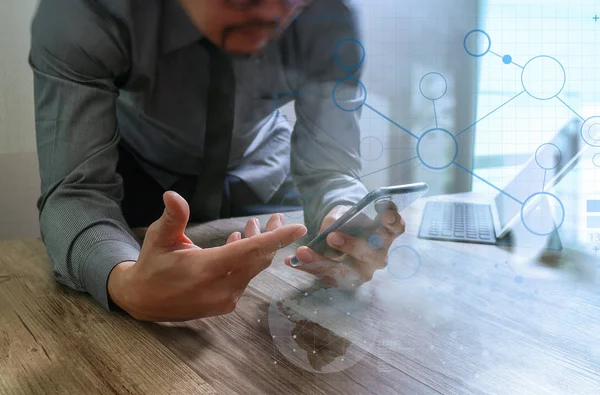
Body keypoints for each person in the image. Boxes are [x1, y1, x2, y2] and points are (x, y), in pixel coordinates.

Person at [29, 0, 405, 322]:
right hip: (140, 185)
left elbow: (332, 169)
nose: (275, 15)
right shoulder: (86, 11)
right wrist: (124, 281)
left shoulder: (327, 13)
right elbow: (75, 191)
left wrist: (340, 217)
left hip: (266, 178)